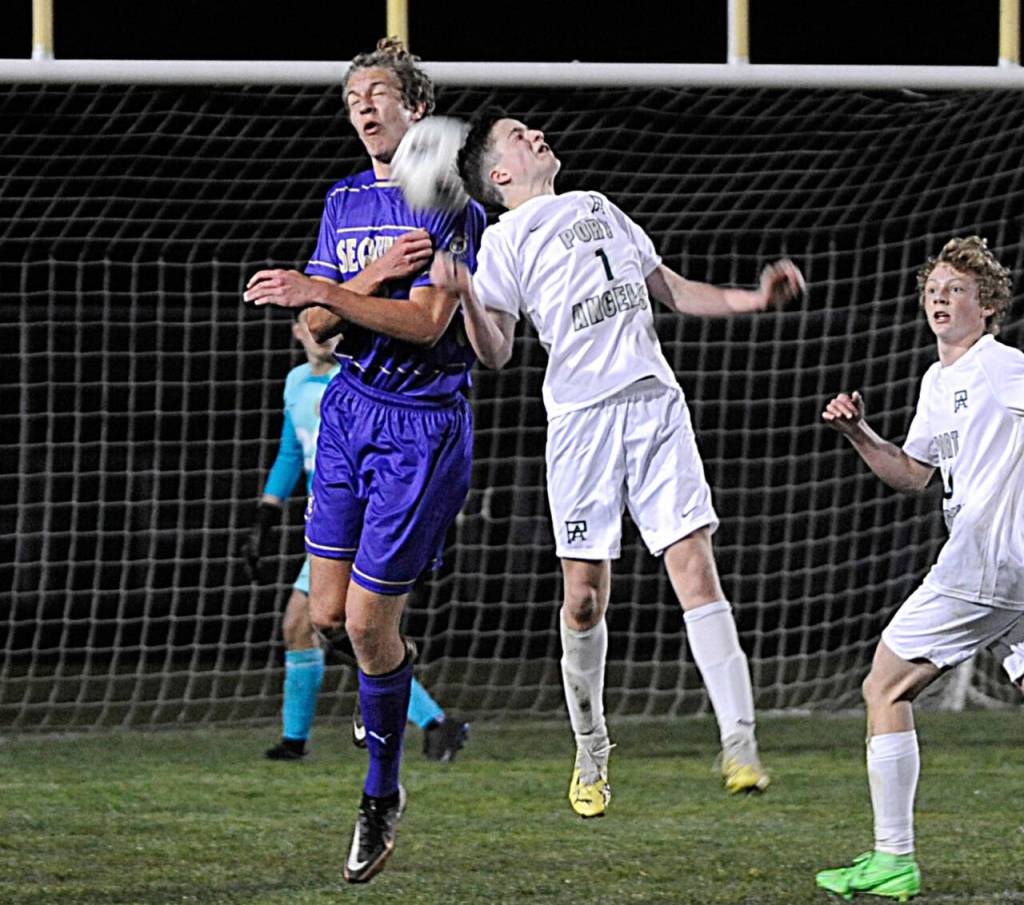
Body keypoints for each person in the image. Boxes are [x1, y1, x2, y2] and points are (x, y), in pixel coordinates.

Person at [433, 109, 804, 818]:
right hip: (581, 424)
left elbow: (673, 289)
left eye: (531, 128)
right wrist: (461, 298)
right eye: (518, 135)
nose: (535, 133)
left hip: (655, 406)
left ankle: (741, 742)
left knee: (694, 566)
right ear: (501, 174)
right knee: (583, 598)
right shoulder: (506, 241)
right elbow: (497, 350)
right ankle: (591, 745)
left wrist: (754, 299)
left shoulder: (601, 206)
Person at [243, 39, 485, 883]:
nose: (365, 108)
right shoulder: (342, 199)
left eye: (380, 94)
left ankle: (381, 789)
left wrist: (338, 295)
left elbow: (425, 325)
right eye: (353, 99)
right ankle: (386, 711)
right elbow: (314, 333)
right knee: (323, 616)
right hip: (348, 412)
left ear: (417, 109)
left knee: (369, 628)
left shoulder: (450, 204)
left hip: (420, 427)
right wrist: (370, 276)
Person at [815, 236, 1024, 901]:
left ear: (988, 305)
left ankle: (893, 858)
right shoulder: (940, 380)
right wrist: (859, 434)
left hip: (987, 558)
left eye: (956, 288)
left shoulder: (1002, 365)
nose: (940, 296)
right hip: (1004, 565)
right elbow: (913, 473)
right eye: (933, 288)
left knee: (884, 686)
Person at [242, 312, 469, 765]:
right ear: (299, 330)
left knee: (323, 625)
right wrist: (266, 511)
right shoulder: (296, 384)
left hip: (362, 517)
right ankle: (428, 723)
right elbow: (293, 449)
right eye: (309, 324)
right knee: (314, 627)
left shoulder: (357, 385)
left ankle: (419, 717)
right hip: (326, 519)